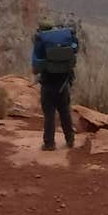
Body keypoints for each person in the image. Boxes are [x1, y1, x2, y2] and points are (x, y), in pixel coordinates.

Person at [30, 17, 79, 151]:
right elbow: (75, 49)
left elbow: (35, 68)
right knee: (64, 111)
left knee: (49, 114)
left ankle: (49, 143)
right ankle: (70, 139)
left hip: (48, 83)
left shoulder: (40, 42)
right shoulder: (66, 40)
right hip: (64, 83)